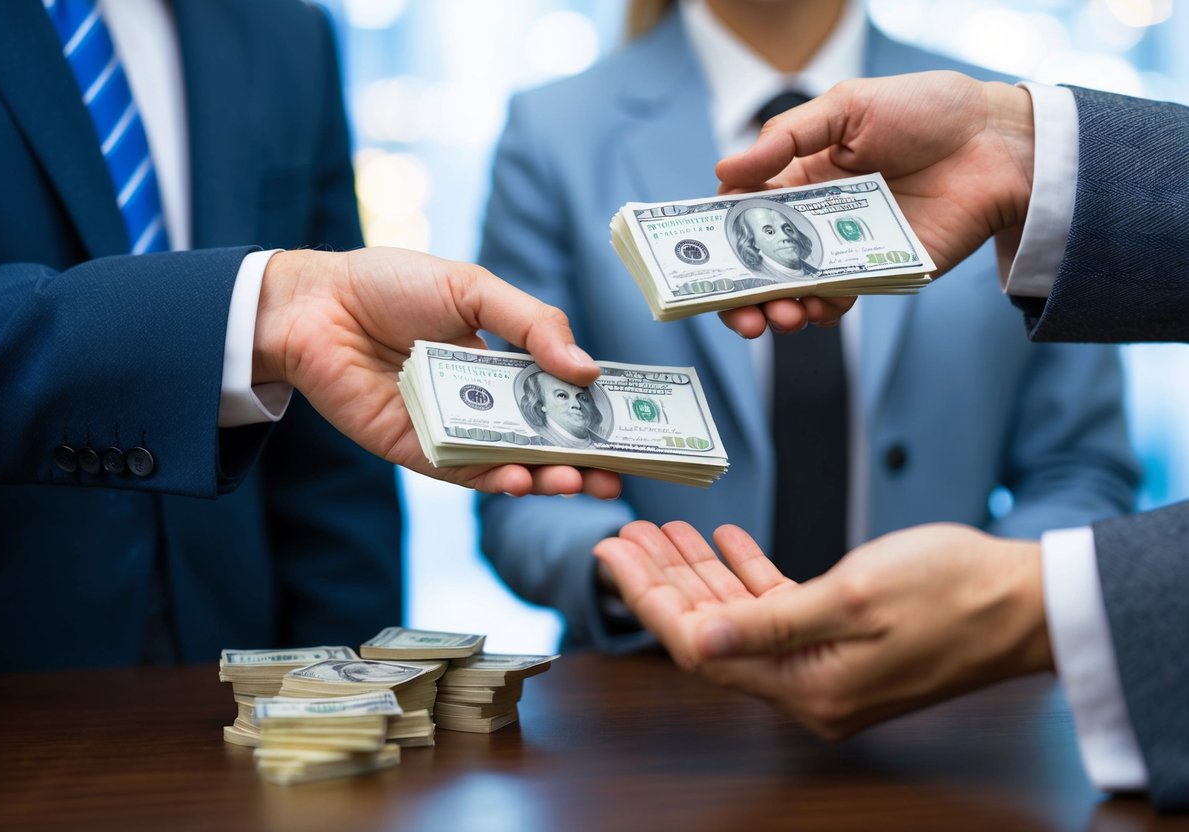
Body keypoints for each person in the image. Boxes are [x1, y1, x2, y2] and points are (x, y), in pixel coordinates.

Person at [594, 72, 1189, 810]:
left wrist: (1022, 601)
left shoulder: (960, 85)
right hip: (649, 731)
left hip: (977, 737)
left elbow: (1077, 463)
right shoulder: (553, 123)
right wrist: (1008, 148)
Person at [476, 0, 1138, 651]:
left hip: (957, 701)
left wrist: (986, 603)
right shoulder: (553, 132)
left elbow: (1079, 470)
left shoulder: (1006, 133)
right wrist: (634, 577)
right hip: (661, 704)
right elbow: (521, 484)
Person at [0, 0, 616, 672]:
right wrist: (255, 313)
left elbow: (332, 436)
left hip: (239, 678)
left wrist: (356, 699)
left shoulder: (284, 30)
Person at [518, 371, 608, 448]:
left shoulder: (603, 444)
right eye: (562, 395)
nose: (577, 405)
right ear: (541, 403)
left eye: (582, 397)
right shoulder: (531, 442)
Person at [730, 202, 819, 280]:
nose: (785, 236)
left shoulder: (814, 271)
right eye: (769, 232)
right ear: (752, 242)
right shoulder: (757, 277)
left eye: (788, 229)